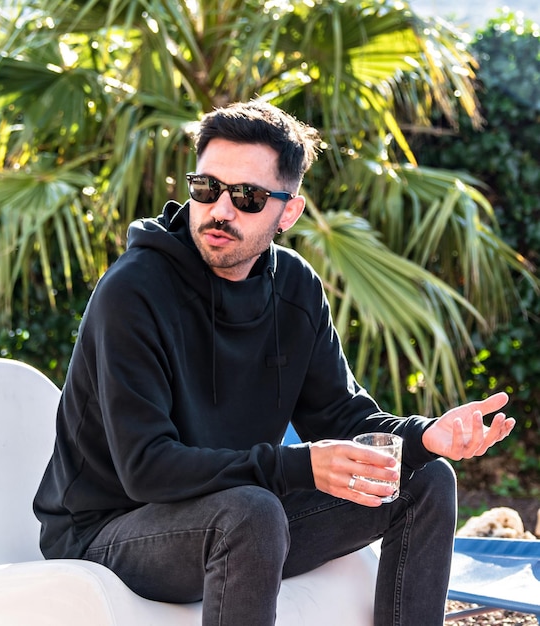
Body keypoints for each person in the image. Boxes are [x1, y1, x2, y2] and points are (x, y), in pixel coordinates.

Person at [34, 99, 515, 626]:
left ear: (289, 211)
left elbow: (343, 419)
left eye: (247, 196)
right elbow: (147, 469)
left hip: (234, 514)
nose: (221, 209)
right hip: (107, 531)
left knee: (422, 481)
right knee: (252, 512)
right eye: (206, 188)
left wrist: (427, 437)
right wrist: (298, 465)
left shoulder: (294, 289)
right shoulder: (133, 292)